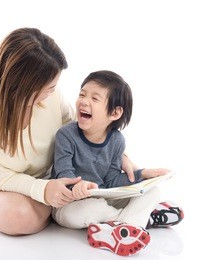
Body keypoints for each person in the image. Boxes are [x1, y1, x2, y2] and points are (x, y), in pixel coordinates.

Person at [0, 28, 138, 236]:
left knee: (113, 185)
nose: (53, 91)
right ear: (24, 87)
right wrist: (43, 191)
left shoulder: (50, 96)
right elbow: (4, 179)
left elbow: (77, 130)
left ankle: (77, 210)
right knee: (18, 217)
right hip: (1, 186)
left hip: (55, 175)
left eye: (53, 86)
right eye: (49, 87)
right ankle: (70, 211)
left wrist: (117, 154)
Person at [51, 70, 184, 256]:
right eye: (82, 94)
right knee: (91, 208)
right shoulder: (66, 135)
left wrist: (142, 175)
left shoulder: (117, 140)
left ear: (115, 112)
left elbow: (112, 180)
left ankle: (120, 229)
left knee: (154, 191)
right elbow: (62, 175)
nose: (83, 101)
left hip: (104, 197)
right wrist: (77, 186)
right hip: (70, 205)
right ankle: (139, 222)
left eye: (94, 98)